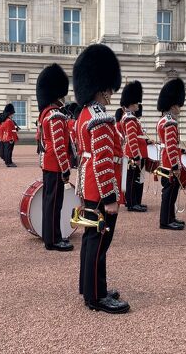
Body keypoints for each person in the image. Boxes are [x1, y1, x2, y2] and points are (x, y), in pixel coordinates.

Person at [74, 44, 129, 314]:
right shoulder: (101, 118)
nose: (110, 95)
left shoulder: (83, 115)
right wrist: (110, 197)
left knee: (90, 238)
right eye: (108, 90)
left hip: (88, 183)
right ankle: (96, 296)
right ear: (101, 88)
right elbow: (104, 160)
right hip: (100, 188)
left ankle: (90, 286)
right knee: (99, 239)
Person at [36, 63, 73, 252]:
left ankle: (50, 236)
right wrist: (66, 169)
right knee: (54, 203)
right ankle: (53, 240)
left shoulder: (45, 114)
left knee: (49, 202)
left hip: (47, 163)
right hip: (55, 165)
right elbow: (60, 147)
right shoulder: (56, 116)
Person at [156, 78, 186, 231]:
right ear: (173, 106)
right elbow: (170, 145)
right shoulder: (170, 122)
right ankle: (166, 221)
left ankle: (170, 217)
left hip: (166, 160)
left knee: (171, 191)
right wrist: (175, 164)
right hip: (169, 162)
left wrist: (181, 152)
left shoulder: (163, 120)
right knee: (169, 192)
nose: (179, 108)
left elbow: (170, 145)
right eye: (178, 105)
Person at [120, 81, 146, 212]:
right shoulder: (130, 119)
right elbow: (131, 139)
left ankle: (134, 201)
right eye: (136, 102)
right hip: (132, 153)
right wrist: (136, 155)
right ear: (130, 104)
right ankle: (131, 203)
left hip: (133, 152)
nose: (137, 105)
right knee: (131, 179)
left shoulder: (131, 117)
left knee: (135, 178)